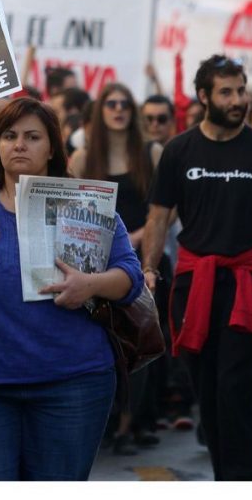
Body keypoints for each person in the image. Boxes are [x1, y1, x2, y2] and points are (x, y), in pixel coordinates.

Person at [0, 97, 143, 480]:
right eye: (9, 135)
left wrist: (90, 285)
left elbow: (130, 279)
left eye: (32, 136)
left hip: (72, 383)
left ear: (52, 147)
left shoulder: (84, 201)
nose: (19, 144)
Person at [141, 55, 252, 480]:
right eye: (226, 91)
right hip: (194, 285)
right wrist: (149, 271)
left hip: (246, 284)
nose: (237, 99)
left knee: (235, 388)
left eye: (241, 90)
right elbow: (158, 216)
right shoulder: (179, 150)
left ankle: (245, 478)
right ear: (204, 96)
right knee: (206, 390)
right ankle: (225, 476)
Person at [69, 83, 164, 454]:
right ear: (99, 111)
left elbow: (162, 211)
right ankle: (106, 420)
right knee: (101, 339)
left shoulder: (151, 151)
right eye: (111, 103)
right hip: (92, 260)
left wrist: (135, 239)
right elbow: (72, 211)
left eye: (126, 103)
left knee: (136, 339)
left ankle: (128, 425)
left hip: (141, 257)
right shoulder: (81, 157)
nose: (119, 109)